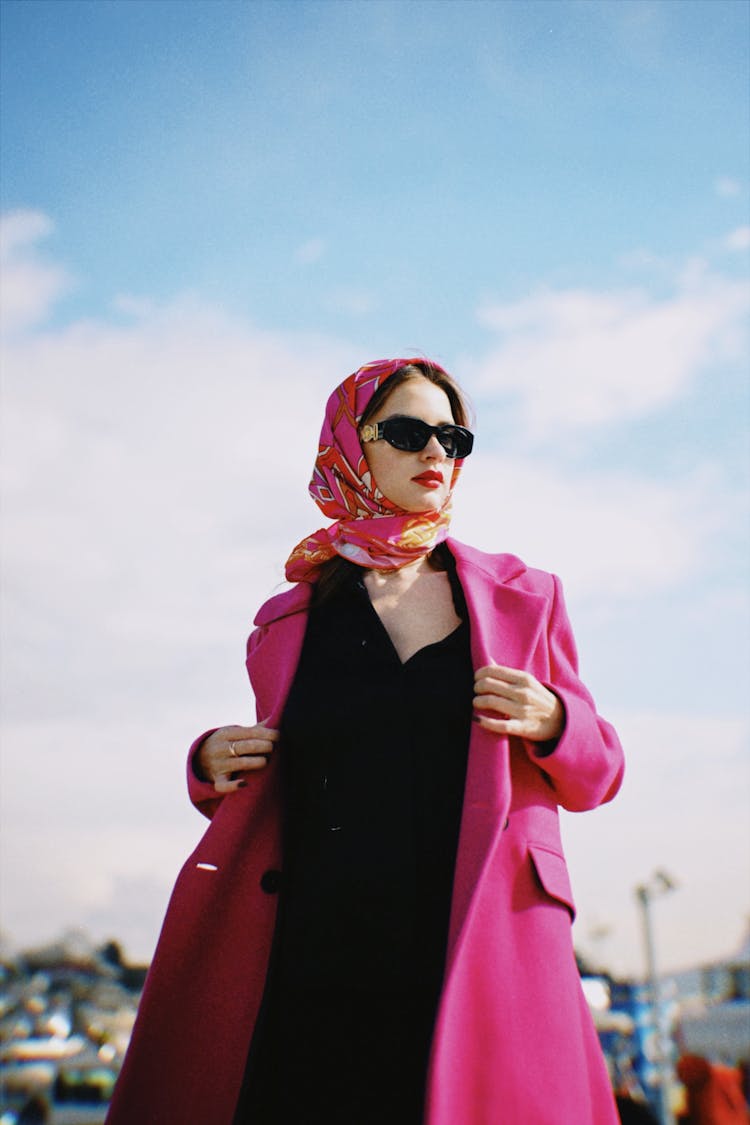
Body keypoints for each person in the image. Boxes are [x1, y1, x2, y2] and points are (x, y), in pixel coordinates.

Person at [105, 357, 625, 1125]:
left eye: (454, 437)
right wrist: (207, 759)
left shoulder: (524, 596)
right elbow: (283, 765)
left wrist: (555, 719)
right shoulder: (286, 619)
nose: (435, 453)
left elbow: (600, 774)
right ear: (352, 446)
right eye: (409, 432)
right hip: (322, 953)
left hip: (479, 942)